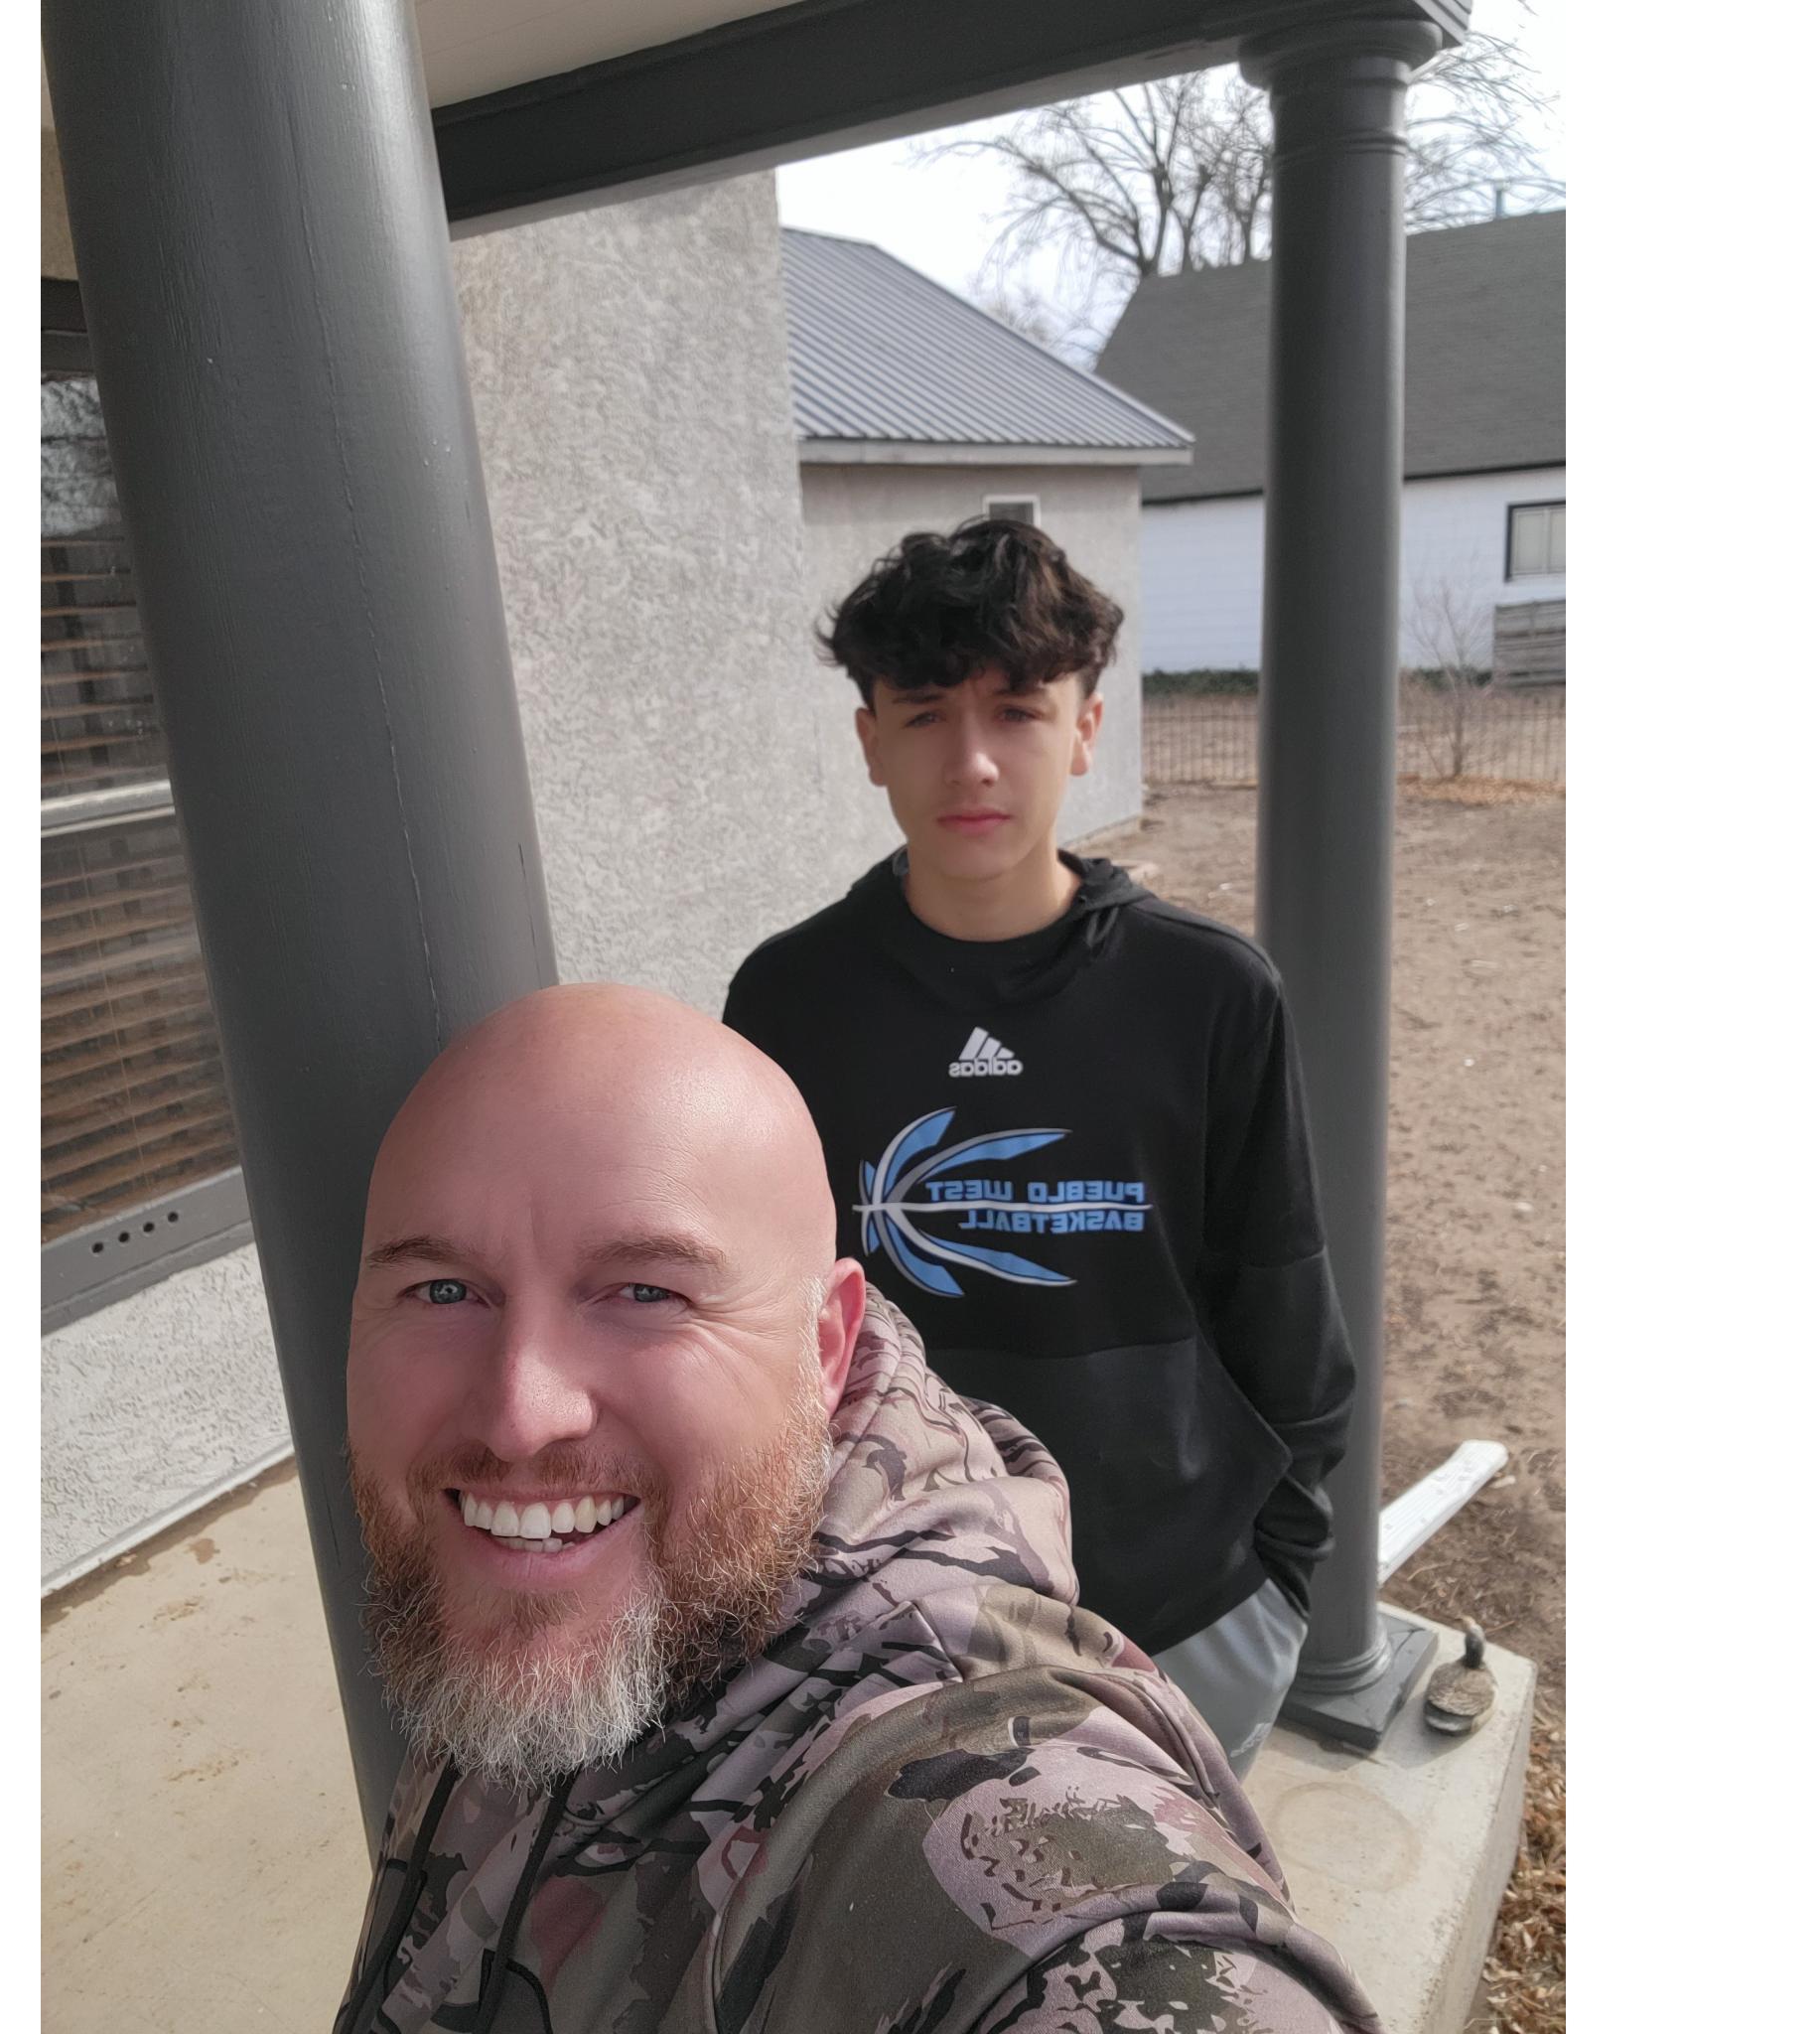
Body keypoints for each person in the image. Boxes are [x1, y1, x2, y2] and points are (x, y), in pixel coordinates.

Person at [337, 983, 1378, 2034]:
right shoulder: (528, 1584)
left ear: (825, 1347)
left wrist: (1284, 1572)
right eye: (441, 1290)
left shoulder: (989, 1795)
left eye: (647, 1292)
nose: (520, 1415)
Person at [722, 519, 1353, 1776]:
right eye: (921, 714)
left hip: (1183, 1607)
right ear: (868, 742)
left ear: (1083, 728)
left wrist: (1274, 1576)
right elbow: (758, 1322)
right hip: (886, 1603)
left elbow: (1284, 1311)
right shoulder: (786, 1002)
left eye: (1015, 710)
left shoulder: (1210, 992)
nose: (970, 761)